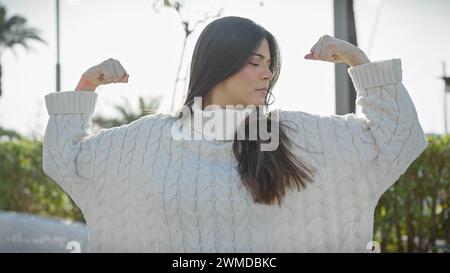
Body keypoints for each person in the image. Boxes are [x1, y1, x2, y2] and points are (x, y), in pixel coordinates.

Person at [42, 16, 427, 252]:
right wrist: (86, 85)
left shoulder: (298, 135)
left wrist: (357, 60)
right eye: (255, 62)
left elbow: (397, 140)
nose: (268, 73)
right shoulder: (148, 141)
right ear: (218, 63)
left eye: (271, 65)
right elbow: (66, 161)